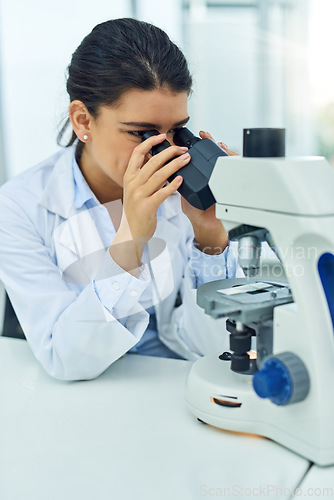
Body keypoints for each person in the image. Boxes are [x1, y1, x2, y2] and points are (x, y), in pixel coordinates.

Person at [0, 18, 239, 381]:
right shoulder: (18, 206)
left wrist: (211, 241)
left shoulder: (182, 195)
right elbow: (67, 360)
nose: (165, 150)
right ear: (83, 120)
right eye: (141, 133)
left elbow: (215, 347)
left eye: (176, 130)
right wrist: (131, 240)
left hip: (169, 381)